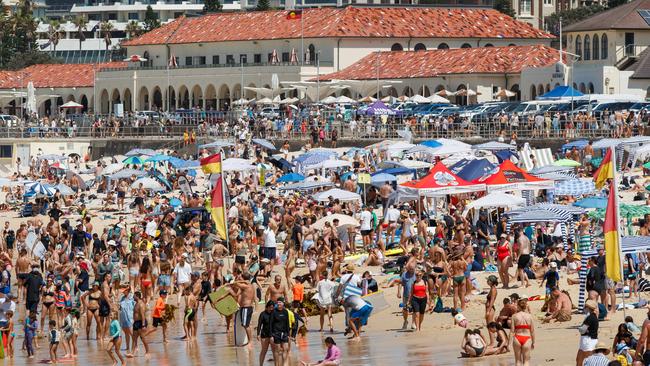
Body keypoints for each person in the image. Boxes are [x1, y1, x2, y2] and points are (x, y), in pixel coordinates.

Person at [512, 299, 535, 366]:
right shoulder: (529, 316)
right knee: (526, 361)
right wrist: (533, 342)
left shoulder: (514, 316)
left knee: (518, 361)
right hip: (527, 338)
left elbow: (511, 331)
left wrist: (508, 344)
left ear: (518, 306)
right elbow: (532, 331)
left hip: (517, 338)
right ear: (525, 306)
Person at [577, 300, 600, 366]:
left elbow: (582, 330)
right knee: (579, 359)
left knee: (588, 360)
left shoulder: (590, 318)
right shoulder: (593, 316)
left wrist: (579, 328)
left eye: (585, 307)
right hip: (587, 339)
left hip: (588, 340)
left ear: (588, 308)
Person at [270, 299, 291, 366]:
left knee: (285, 349)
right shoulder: (273, 312)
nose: (279, 303)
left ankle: (284, 364)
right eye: (278, 302)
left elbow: (287, 323)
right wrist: (271, 335)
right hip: (276, 334)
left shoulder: (285, 312)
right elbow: (270, 324)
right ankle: (277, 364)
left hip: (284, 333)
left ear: (283, 303)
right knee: (277, 350)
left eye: (280, 302)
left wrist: (288, 334)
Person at [257, 300, 275, 366]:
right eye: (270, 307)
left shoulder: (274, 313)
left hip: (273, 335)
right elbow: (259, 324)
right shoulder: (263, 314)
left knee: (274, 351)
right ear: (267, 307)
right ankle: (260, 364)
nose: (271, 309)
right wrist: (258, 334)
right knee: (264, 351)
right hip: (264, 335)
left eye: (272, 307)